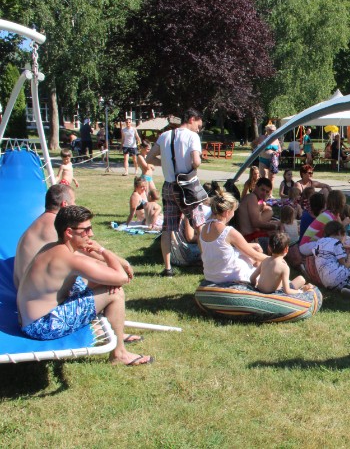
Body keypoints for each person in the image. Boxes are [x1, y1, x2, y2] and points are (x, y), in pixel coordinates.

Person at [16, 206, 152, 366]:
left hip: (29, 320)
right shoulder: (70, 259)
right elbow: (121, 277)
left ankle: (114, 331)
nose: (91, 234)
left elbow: (96, 268)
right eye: (86, 230)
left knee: (98, 283)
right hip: (42, 326)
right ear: (69, 232)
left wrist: (108, 265)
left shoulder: (52, 248)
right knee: (115, 293)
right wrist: (103, 251)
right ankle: (119, 354)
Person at [146, 108, 205, 277]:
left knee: (168, 227)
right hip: (188, 187)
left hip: (169, 186)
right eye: (198, 126)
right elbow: (196, 162)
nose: (198, 130)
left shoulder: (164, 135)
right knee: (199, 225)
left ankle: (167, 268)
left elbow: (149, 158)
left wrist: (166, 164)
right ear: (192, 119)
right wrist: (193, 164)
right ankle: (206, 265)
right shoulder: (192, 137)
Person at [14, 184, 75, 288]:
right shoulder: (55, 225)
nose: (75, 205)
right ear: (64, 204)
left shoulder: (41, 221)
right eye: (74, 202)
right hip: (34, 291)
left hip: (21, 286)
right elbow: (76, 257)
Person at [201, 192, 268, 284]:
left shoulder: (204, 228)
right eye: (233, 211)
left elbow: (219, 248)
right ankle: (258, 282)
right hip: (229, 276)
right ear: (227, 212)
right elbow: (255, 256)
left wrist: (254, 246)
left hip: (211, 275)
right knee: (256, 259)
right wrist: (276, 259)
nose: (233, 214)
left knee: (255, 248)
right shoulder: (228, 232)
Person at [313, 221, 350, 293]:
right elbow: (345, 266)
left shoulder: (319, 242)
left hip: (326, 283)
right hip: (338, 279)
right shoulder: (337, 243)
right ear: (339, 232)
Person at [235, 177, 279, 252]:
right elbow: (255, 223)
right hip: (250, 238)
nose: (264, 193)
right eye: (262, 190)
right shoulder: (252, 197)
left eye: (267, 192)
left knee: (270, 213)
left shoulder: (254, 199)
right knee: (280, 240)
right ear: (256, 187)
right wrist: (275, 226)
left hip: (252, 236)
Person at [299, 190, 348, 256]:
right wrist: (344, 224)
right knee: (338, 241)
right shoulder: (329, 217)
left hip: (311, 244)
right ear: (341, 204)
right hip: (307, 245)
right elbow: (337, 236)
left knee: (345, 240)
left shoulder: (330, 215)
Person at [254, 122, 281, 188]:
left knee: (272, 178)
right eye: (270, 130)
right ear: (267, 130)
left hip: (273, 161)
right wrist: (257, 150)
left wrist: (277, 151)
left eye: (273, 130)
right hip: (263, 160)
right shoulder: (262, 137)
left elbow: (280, 149)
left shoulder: (276, 139)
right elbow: (253, 144)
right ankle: (262, 191)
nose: (272, 132)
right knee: (263, 178)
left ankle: (270, 192)